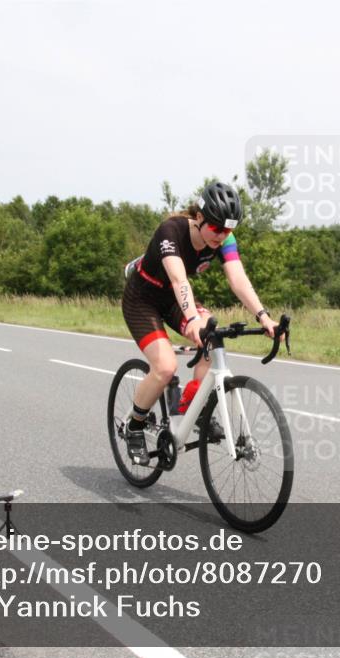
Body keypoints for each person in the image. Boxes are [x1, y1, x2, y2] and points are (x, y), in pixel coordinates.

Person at [120, 181, 279, 465]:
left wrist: (264, 316)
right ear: (200, 218)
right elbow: (180, 279)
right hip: (142, 299)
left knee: (212, 335)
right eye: (217, 228)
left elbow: (238, 279)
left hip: (172, 299)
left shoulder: (223, 239)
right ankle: (134, 425)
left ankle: (191, 408)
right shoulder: (171, 231)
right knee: (166, 367)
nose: (222, 235)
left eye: (229, 229)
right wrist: (192, 317)